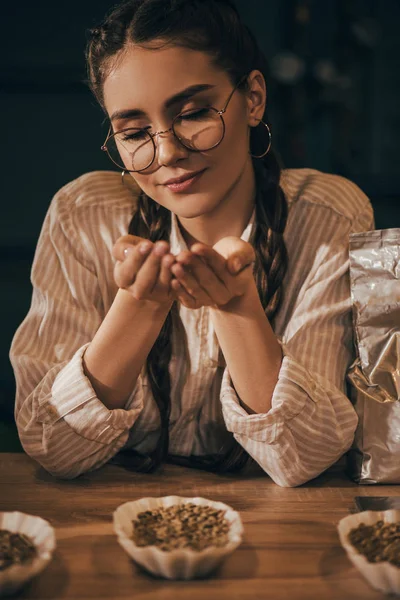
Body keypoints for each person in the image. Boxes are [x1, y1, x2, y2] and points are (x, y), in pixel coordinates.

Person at [10, 0, 374, 486]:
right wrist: (138, 307)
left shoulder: (326, 211)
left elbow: (307, 457)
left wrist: (237, 306)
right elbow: (51, 447)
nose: (167, 153)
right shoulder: (84, 214)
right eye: (136, 132)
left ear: (253, 98)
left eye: (195, 112)